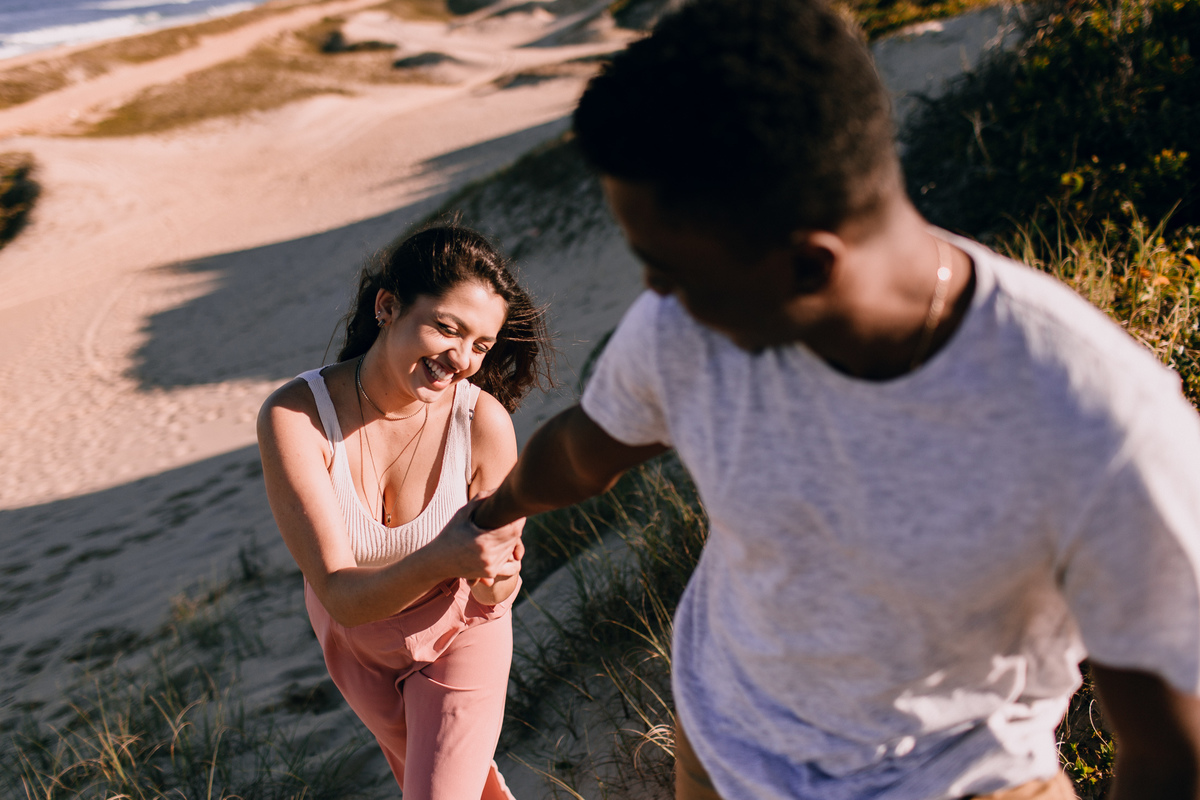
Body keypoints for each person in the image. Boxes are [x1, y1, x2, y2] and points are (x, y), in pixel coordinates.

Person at [469, 1, 1200, 798]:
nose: (654, 293)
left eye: (670, 269)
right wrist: (489, 512)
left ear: (810, 267)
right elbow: (582, 451)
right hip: (722, 750)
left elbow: (1171, 756)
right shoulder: (690, 323)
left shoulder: (1097, 426)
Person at [257, 225, 549, 800]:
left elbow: (493, 596)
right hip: (354, 642)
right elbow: (340, 592)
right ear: (387, 306)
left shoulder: (483, 425)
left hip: (458, 634)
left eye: (481, 345)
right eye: (447, 328)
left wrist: (498, 581)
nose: (461, 359)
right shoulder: (296, 416)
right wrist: (443, 556)